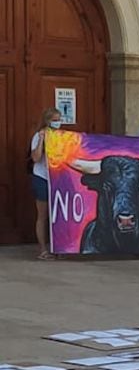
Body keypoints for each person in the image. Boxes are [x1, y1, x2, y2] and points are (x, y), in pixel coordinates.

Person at [29, 108, 62, 260]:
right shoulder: (38, 135)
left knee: (59, 214)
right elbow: (35, 158)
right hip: (42, 177)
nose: (57, 122)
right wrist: (42, 139)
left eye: (59, 119)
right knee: (43, 215)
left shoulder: (62, 136)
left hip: (58, 179)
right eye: (54, 120)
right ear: (47, 121)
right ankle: (43, 249)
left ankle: (60, 247)